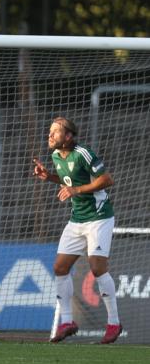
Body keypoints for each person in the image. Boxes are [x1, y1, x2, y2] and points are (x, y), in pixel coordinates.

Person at [32, 116, 122, 344]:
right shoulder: (55, 156)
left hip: (99, 217)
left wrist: (77, 190)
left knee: (97, 267)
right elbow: (68, 182)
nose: (50, 135)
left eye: (55, 132)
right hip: (77, 219)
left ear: (69, 136)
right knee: (60, 267)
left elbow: (107, 180)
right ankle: (68, 321)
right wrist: (49, 177)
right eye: (50, 131)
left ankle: (114, 323)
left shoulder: (83, 153)